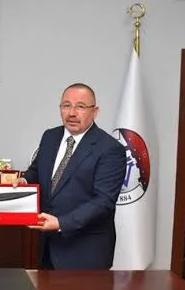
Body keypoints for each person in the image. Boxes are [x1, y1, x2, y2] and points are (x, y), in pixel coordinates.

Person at [16, 83, 126, 270]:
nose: (72, 113)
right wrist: (24, 180)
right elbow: (37, 169)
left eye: (80, 106)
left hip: (85, 252)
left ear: (95, 111)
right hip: (47, 247)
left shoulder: (110, 149)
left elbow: (103, 202)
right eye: (66, 105)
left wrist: (61, 223)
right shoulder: (50, 137)